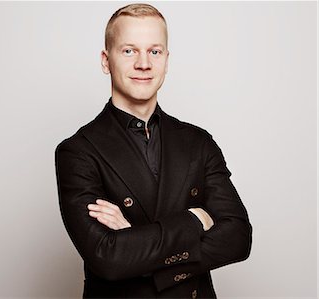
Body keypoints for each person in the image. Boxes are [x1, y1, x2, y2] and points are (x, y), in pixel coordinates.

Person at [55, 3, 252, 298]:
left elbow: (237, 237)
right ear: (106, 61)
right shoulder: (77, 151)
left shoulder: (198, 142)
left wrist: (134, 241)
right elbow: (107, 257)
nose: (144, 63)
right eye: (129, 51)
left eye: (154, 51)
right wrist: (195, 220)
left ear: (166, 59)